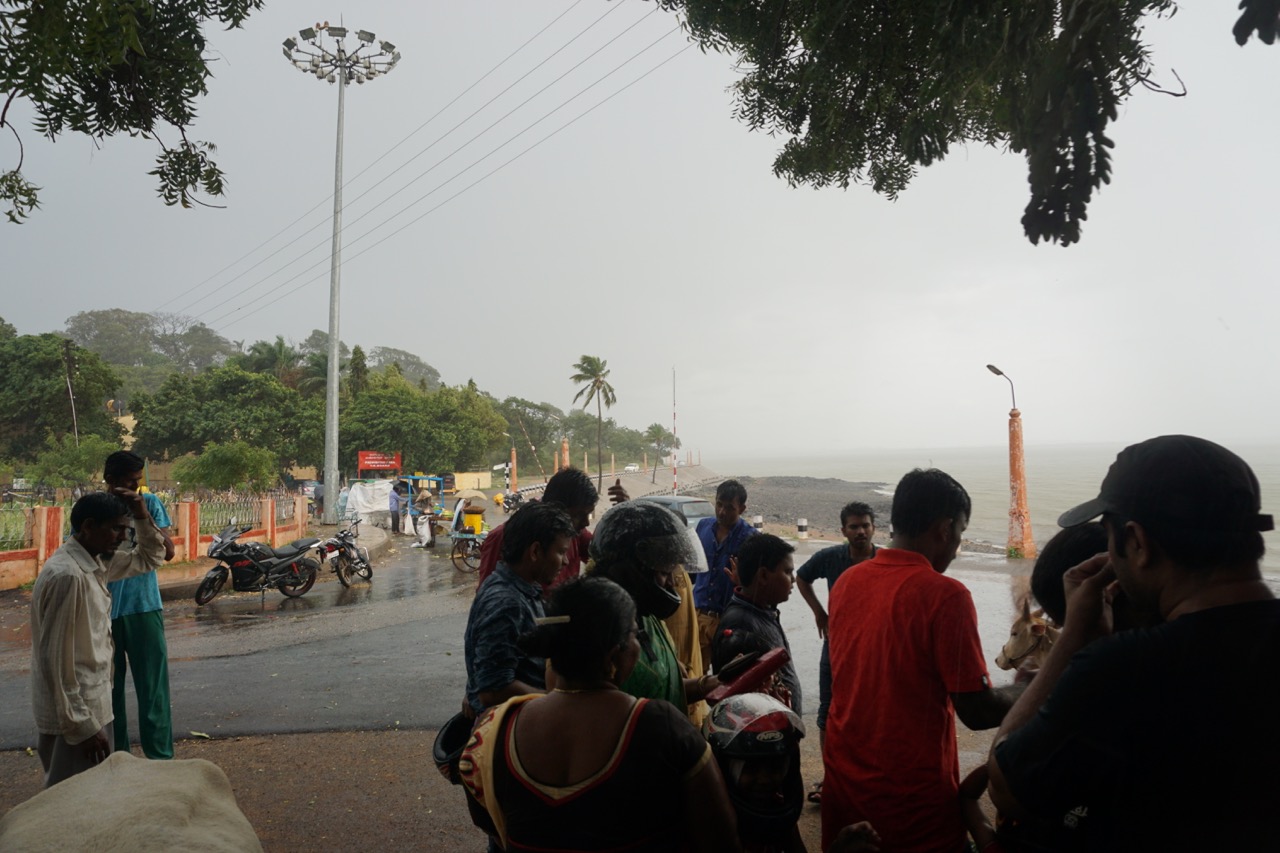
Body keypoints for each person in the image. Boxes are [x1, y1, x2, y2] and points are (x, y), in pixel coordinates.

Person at [988, 435, 1280, 852]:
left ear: (1137, 543)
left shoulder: (1125, 667)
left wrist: (1074, 636)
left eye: (1109, 538)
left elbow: (1008, 786)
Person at [459, 576, 740, 852]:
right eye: (634, 635)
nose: (639, 645)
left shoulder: (494, 728)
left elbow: (487, 820)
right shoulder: (661, 726)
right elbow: (720, 838)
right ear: (612, 657)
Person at [822, 468, 1021, 853]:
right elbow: (976, 710)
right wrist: (1036, 684)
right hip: (910, 806)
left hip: (845, 789)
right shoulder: (945, 596)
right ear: (945, 528)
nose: (957, 545)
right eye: (960, 533)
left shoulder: (848, 581)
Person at [30, 489, 166, 787]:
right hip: (77, 717)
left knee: (94, 796)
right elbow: (55, 660)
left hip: (93, 705)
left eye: (125, 530)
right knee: (72, 801)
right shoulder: (68, 575)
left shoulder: (95, 564)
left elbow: (151, 556)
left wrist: (142, 515)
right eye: (116, 528)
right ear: (89, 526)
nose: (121, 537)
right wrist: (82, 725)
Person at [588, 502, 722, 712]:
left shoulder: (648, 620)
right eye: (663, 573)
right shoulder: (595, 640)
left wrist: (712, 683)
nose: (671, 584)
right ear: (632, 571)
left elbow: (666, 691)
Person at [795, 501, 877, 803]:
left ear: (873, 528)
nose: (860, 531)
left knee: (870, 712)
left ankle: (866, 777)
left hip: (873, 650)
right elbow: (802, 577)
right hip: (836, 646)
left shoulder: (883, 560)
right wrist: (819, 612)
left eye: (865, 525)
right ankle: (832, 778)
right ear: (843, 530)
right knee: (828, 711)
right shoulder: (831, 558)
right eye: (854, 526)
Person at [463, 502, 576, 716]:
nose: (566, 561)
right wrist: (557, 703)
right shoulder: (506, 602)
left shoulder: (519, 588)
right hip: (512, 730)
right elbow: (492, 690)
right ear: (535, 551)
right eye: (561, 552)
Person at [102, 451, 175, 761]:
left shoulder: (150, 503)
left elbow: (168, 552)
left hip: (144, 607)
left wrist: (142, 512)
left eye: (138, 480)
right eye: (130, 481)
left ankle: (160, 758)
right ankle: (117, 759)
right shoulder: (97, 509)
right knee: (109, 692)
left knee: (153, 690)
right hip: (104, 612)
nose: (136, 486)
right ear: (111, 480)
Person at [706, 692, 807, 853]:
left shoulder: (776, 806)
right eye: (751, 768)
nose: (764, 779)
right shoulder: (711, 822)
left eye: (775, 767)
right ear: (723, 767)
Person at [713, 533, 802, 713]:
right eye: (787, 571)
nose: (793, 579)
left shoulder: (763, 609)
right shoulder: (741, 630)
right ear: (763, 575)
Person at [476, 467, 598, 591]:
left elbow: (605, 557)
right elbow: (487, 593)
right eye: (578, 515)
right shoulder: (501, 537)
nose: (586, 523)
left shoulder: (576, 532)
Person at [693, 480, 758, 672]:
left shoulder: (750, 538)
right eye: (719, 504)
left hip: (730, 621)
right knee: (695, 677)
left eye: (729, 508)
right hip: (700, 615)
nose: (722, 512)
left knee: (727, 678)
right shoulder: (703, 527)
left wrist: (741, 582)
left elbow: (757, 586)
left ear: (742, 509)